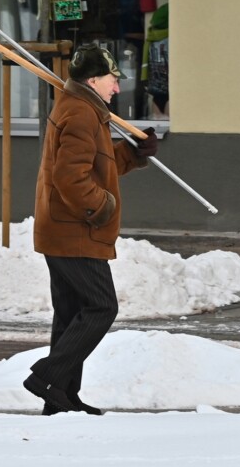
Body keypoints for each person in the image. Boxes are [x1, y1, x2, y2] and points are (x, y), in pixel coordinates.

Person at [23, 43, 160, 415]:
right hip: (75, 231)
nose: (117, 87)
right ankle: (47, 377)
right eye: (112, 79)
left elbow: (96, 164)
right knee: (102, 306)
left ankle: (60, 396)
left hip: (61, 229)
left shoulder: (82, 108)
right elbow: (71, 178)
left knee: (71, 314)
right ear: (93, 80)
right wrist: (102, 208)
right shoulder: (82, 114)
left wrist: (133, 153)